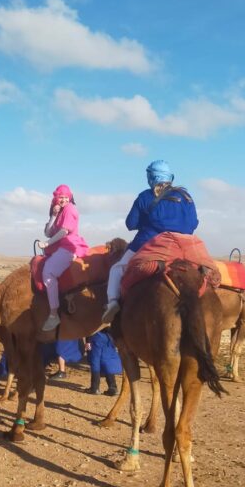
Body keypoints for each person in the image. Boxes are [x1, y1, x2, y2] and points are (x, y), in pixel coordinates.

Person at [101, 160, 199, 323]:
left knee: (117, 269)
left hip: (149, 244)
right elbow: (194, 223)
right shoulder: (186, 197)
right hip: (183, 245)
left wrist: (148, 222)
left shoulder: (145, 196)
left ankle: (112, 303)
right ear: (170, 177)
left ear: (151, 177)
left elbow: (130, 224)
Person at [38, 185, 89, 332]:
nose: (64, 199)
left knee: (48, 273)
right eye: (61, 197)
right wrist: (53, 215)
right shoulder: (60, 211)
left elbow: (63, 231)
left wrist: (47, 243)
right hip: (58, 246)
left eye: (66, 197)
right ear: (56, 198)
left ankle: (54, 314)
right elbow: (48, 232)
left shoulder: (70, 209)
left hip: (68, 246)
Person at [84, 329, 122, 395]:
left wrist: (88, 340)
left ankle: (95, 388)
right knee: (107, 361)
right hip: (109, 337)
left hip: (96, 336)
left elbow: (91, 325)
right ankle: (113, 387)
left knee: (95, 361)